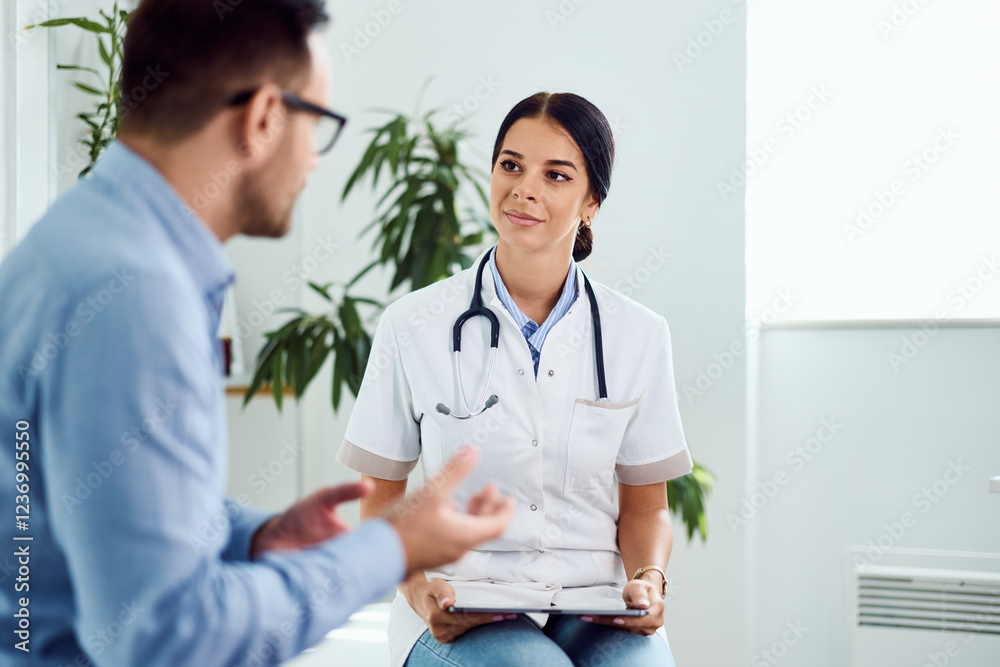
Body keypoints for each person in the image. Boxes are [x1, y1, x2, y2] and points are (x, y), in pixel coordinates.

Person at [0, 1, 513, 665]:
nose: (315, 160)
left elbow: (89, 498)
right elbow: (167, 637)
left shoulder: (75, 238)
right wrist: (392, 548)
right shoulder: (138, 293)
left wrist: (252, 535)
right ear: (265, 116)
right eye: (318, 125)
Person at [337, 92, 693, 666]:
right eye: (511, 164)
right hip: (461, 600)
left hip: (593, 601)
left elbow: (647, 505)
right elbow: (380, 497)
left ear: (591, 203)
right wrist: (417, 586)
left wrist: (650, 578)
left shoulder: (639, 334)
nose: (524, 188)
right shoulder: (414, 324)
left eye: (555, 174)